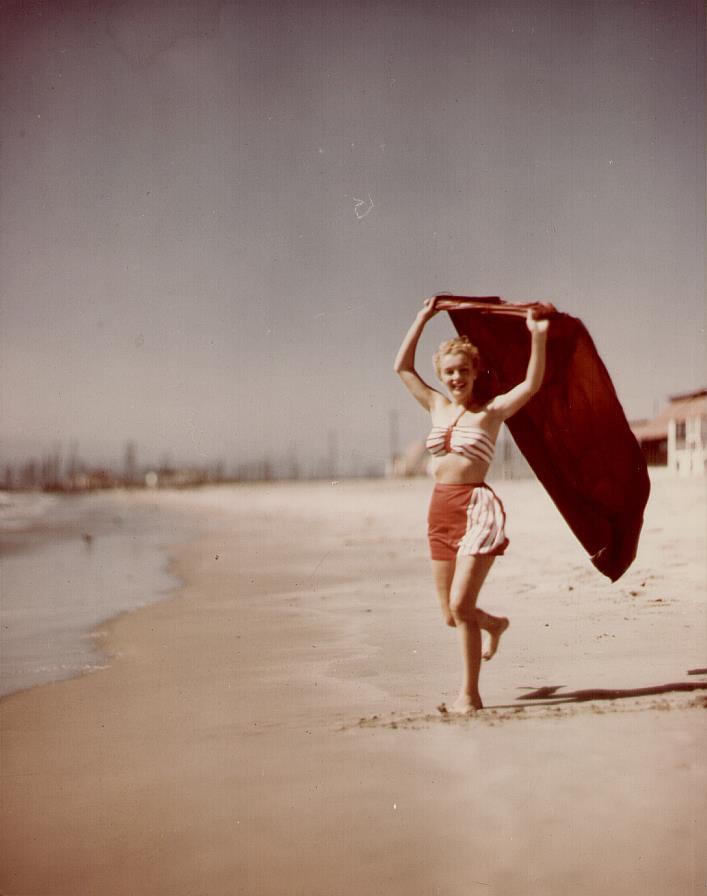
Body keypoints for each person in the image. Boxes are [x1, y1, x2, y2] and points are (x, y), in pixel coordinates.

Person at [393, 296, 549, 713]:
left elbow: (531, 385)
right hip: (439, 510)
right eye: (449, 371)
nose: (456, 377)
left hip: (476, 509)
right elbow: (402, 368)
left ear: (476, 371)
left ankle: (470, 695)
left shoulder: (491, 412)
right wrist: (422, 316)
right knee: (451, 614)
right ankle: (493, 624)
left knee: (461, 606)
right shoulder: (436, 405)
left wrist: (537, 336)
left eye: (463, 370)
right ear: (441, 376)